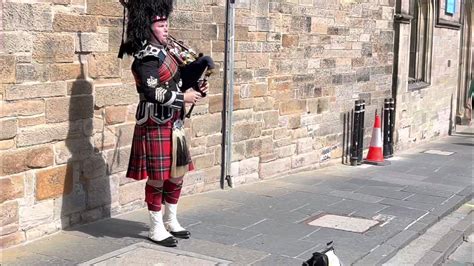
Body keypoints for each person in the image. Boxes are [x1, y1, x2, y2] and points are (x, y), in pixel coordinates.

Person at [119, 0, 208, 247]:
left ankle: (171, 220)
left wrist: (195, 89)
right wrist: (183, 97)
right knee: (158, 178)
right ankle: (155, 227)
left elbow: (176, 84)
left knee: (177, 175)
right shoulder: (145, 59)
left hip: (174, 122)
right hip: (155, 122)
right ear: (147, 27)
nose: (165, 27)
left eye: (166, 22)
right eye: (160, 23)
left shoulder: (169, 53)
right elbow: (152, 93)